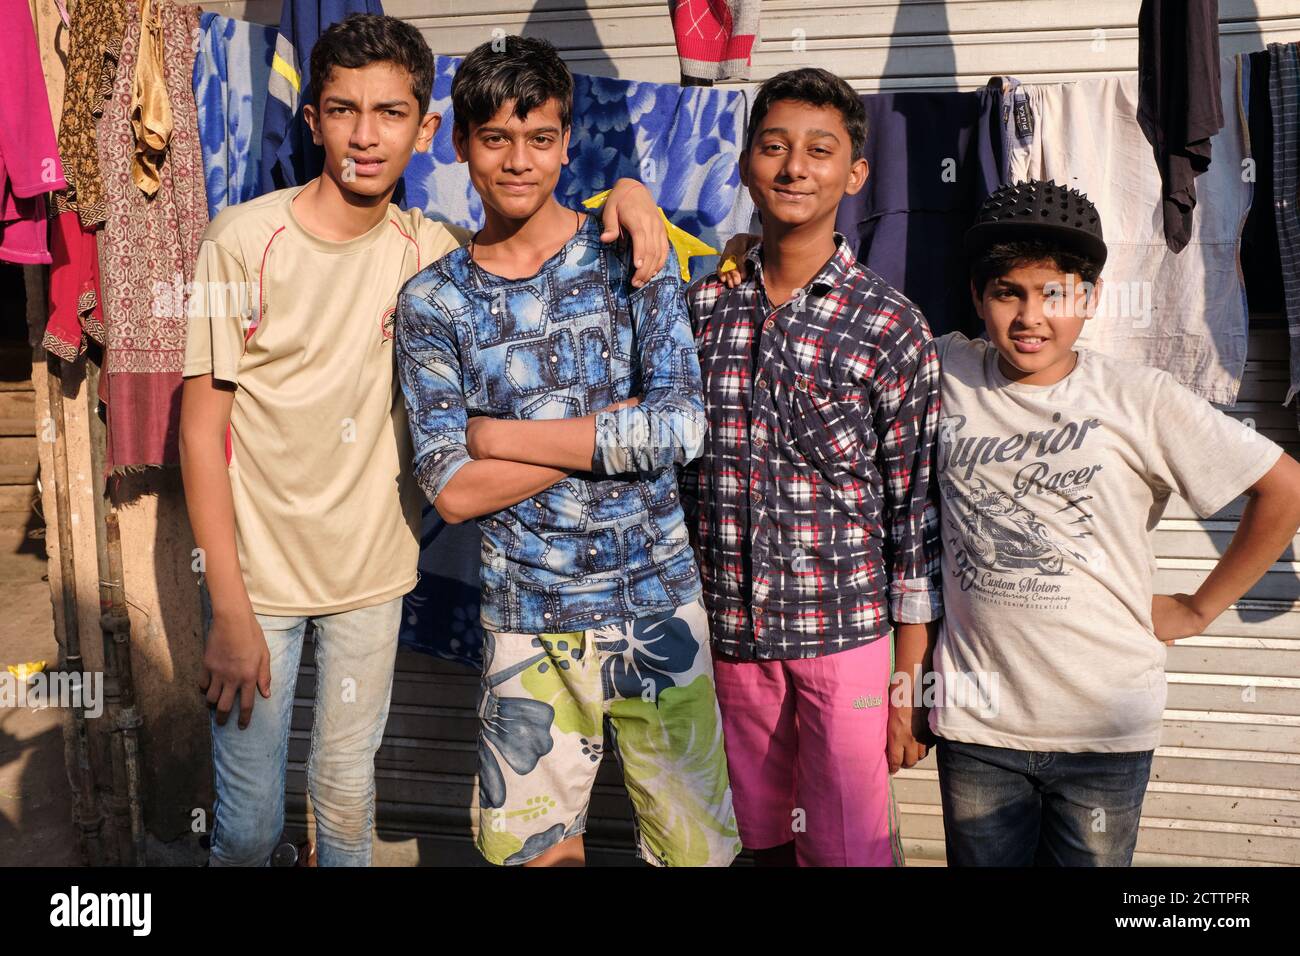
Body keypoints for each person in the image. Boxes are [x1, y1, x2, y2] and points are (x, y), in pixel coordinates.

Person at [180, 13, 667, 867]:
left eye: (391, 113)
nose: (366, 137)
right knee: (248, 823)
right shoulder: (236, 243)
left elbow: (533, 227)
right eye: (342, 110)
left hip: (372, 577)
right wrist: (224, 604)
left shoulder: (431, 253)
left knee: (344, 798)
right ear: (312, 118)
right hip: (253, 583)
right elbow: (199, 426)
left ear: (427, 129)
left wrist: (624, 194)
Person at [395, 35, 740, 867]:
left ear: (567, 141)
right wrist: (607, 436)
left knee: (695, 851)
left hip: (659, 603)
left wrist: (501, 435)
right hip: (528, 620)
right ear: (459, 144)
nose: (519, 161)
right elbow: (451, 488)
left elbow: (680, 428)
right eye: (496, 139)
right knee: (537, 853)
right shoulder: (435, 301)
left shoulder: (630, 252)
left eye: (540, 137)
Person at [928, 178, 1300, 866]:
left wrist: (1197, 607)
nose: (1030, 316)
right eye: (1008, 292)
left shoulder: (1139, 397)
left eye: (1056, 293)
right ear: (979, 297)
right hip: (980, 727)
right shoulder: (946, 368)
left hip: (1106, 728)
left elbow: (1283, 488)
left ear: (1091, 298)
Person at [684, 67, 943, 866]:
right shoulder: (700, 308)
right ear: (745, 162)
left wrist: (907, 690)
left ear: (854, 174)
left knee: (847, 850)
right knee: (749, 846)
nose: (796, 168)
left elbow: (915, 517)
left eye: (820, 150)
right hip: (726, 639)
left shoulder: (889, 324)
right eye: (775, 147)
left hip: (845, 641)